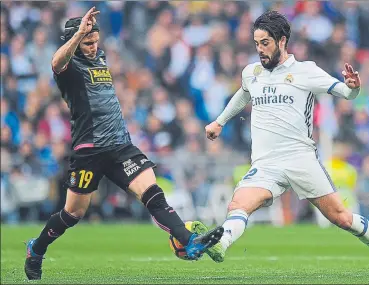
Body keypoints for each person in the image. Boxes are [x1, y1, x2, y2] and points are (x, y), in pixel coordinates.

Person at [24, 7, 223, 280]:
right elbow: (55, 63)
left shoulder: (101, 58)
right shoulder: (68, 68)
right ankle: (36, 249)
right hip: (89, 149)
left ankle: (188, 241)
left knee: (152, 192)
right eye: (87, 43)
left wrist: (88, 33)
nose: (93, 47)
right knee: (72, 213)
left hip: (120, 145)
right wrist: (79, 34)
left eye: (95, 41)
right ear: (76, 41)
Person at [201, 11, 369, 275]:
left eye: (265, 43)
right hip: (266, 163)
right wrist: (220, 121)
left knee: (341, 217)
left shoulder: (305, 71)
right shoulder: (251, 73)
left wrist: (353, 87)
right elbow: (243, 93)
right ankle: (221, 243)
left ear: (282, 41)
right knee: (238, 205)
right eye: (256, 44)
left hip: (300, 159)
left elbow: (346, 93)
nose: (260, 50)